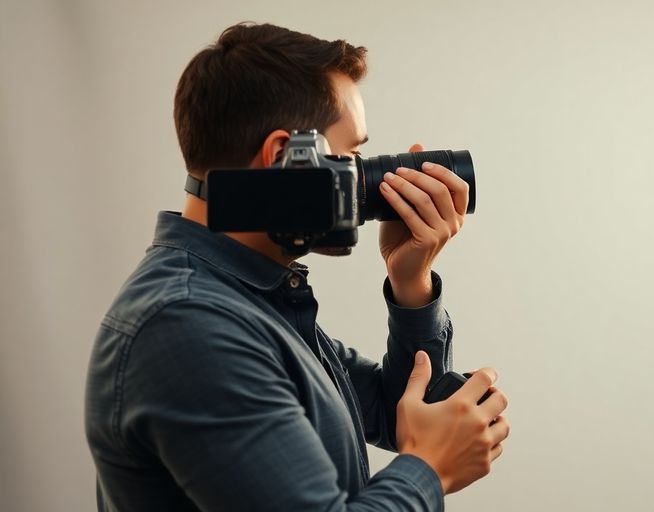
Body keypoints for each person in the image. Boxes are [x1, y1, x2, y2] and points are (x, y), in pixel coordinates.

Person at [85, 22, 509, 511]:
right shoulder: (188, 325)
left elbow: (396, 414)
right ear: (284, 158)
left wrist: (409, 279)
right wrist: (430, 470)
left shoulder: (249, 295)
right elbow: (418, 447)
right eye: (351, 156)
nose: (364, 183)